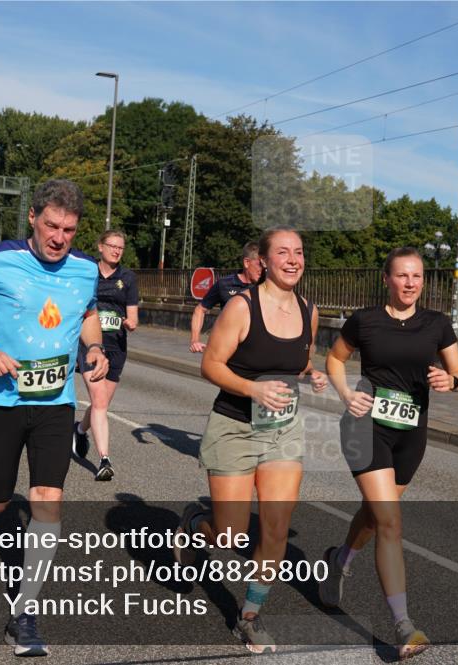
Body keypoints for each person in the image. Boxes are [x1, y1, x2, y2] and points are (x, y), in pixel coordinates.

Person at [0, 179, 108, 658]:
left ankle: (24, 614)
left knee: (47, 501)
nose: (59, 238)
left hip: (56, 403)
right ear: (33, 216)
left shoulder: (83, 270)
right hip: (0, 402)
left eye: (69, 230)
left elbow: (88, 313)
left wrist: (93, 346)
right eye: (52, 226)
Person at [174, 226, 327, 653]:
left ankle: (250, 616)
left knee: (275, 526)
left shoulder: (309, 310)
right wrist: (253, 389)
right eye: (283, 252)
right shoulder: (242, 307)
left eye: (298, 252)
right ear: (263, 260)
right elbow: (211, 365)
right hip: (235, 426)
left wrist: (308, 374)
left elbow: (298, 362)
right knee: (228, 535)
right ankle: (192, 526)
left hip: (282, 429)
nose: (293, 259)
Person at [319, 247, 458, 660]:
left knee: (376, 512)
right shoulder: (365, 320)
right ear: (387, 278)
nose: (409, 283)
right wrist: (347, 393)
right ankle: (404, 625)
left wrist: (448, 381)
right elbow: (334, 359)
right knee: (390, 521)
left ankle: (340, 559)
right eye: (402, 276)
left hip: (410, 433)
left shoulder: (436, 324)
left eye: (416, 276)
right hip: (365, 426)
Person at [71, 230, 139, 481]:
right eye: (112, 246)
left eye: (121, 247)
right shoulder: (87, 272)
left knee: (102, 404)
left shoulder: (128, 278)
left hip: (116, 347)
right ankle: (104, 460)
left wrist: (130, 323)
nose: (116, 251)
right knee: (98, 401)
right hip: (90, 346)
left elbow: (133, 317)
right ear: (100, 247)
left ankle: (79, 429)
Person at [189, 242, 260, 353]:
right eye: (259, 264)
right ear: (247, 262)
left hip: (256, 351)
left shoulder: (267, 285)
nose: (264, 269)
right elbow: (200, 310)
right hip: (228, 351)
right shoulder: (225, 284)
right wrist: (195, 340)